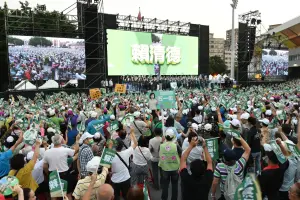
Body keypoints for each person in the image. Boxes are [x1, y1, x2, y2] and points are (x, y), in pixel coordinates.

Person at [111, 127, 137, 200]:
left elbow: (105, 164)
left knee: (116, 197)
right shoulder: (126, 152)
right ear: (122, 146)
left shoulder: (110, 155)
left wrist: (109, 147)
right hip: (126, 178)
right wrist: (132, 133)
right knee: (127, 196)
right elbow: (135, 143)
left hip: (115, 180)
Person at [158, 129, 181, 200]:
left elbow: (159, 153)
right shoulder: (176, 145)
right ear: (173, 136)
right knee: (175, 185)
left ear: (165, 136)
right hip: (175, 168)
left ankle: (164, 198)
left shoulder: (161, 145)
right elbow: (181, 153)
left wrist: (162, 141)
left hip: (165, 168)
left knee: (165, 186)